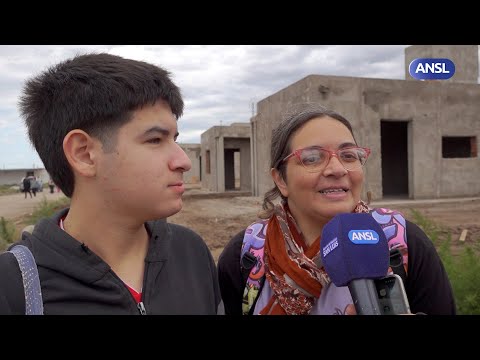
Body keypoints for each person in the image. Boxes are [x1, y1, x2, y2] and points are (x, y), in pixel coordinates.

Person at [0, 53, 221, 315]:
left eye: (174, 138)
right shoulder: (14, 288)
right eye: (155, 140)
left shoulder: (190, 252)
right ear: (84, 154)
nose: (183, 161)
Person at [217, 103, 456, 315]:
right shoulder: (247, 255)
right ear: (280, 179)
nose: (337, 168)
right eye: (312, 158)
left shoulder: (403, 244)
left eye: (349, 155)